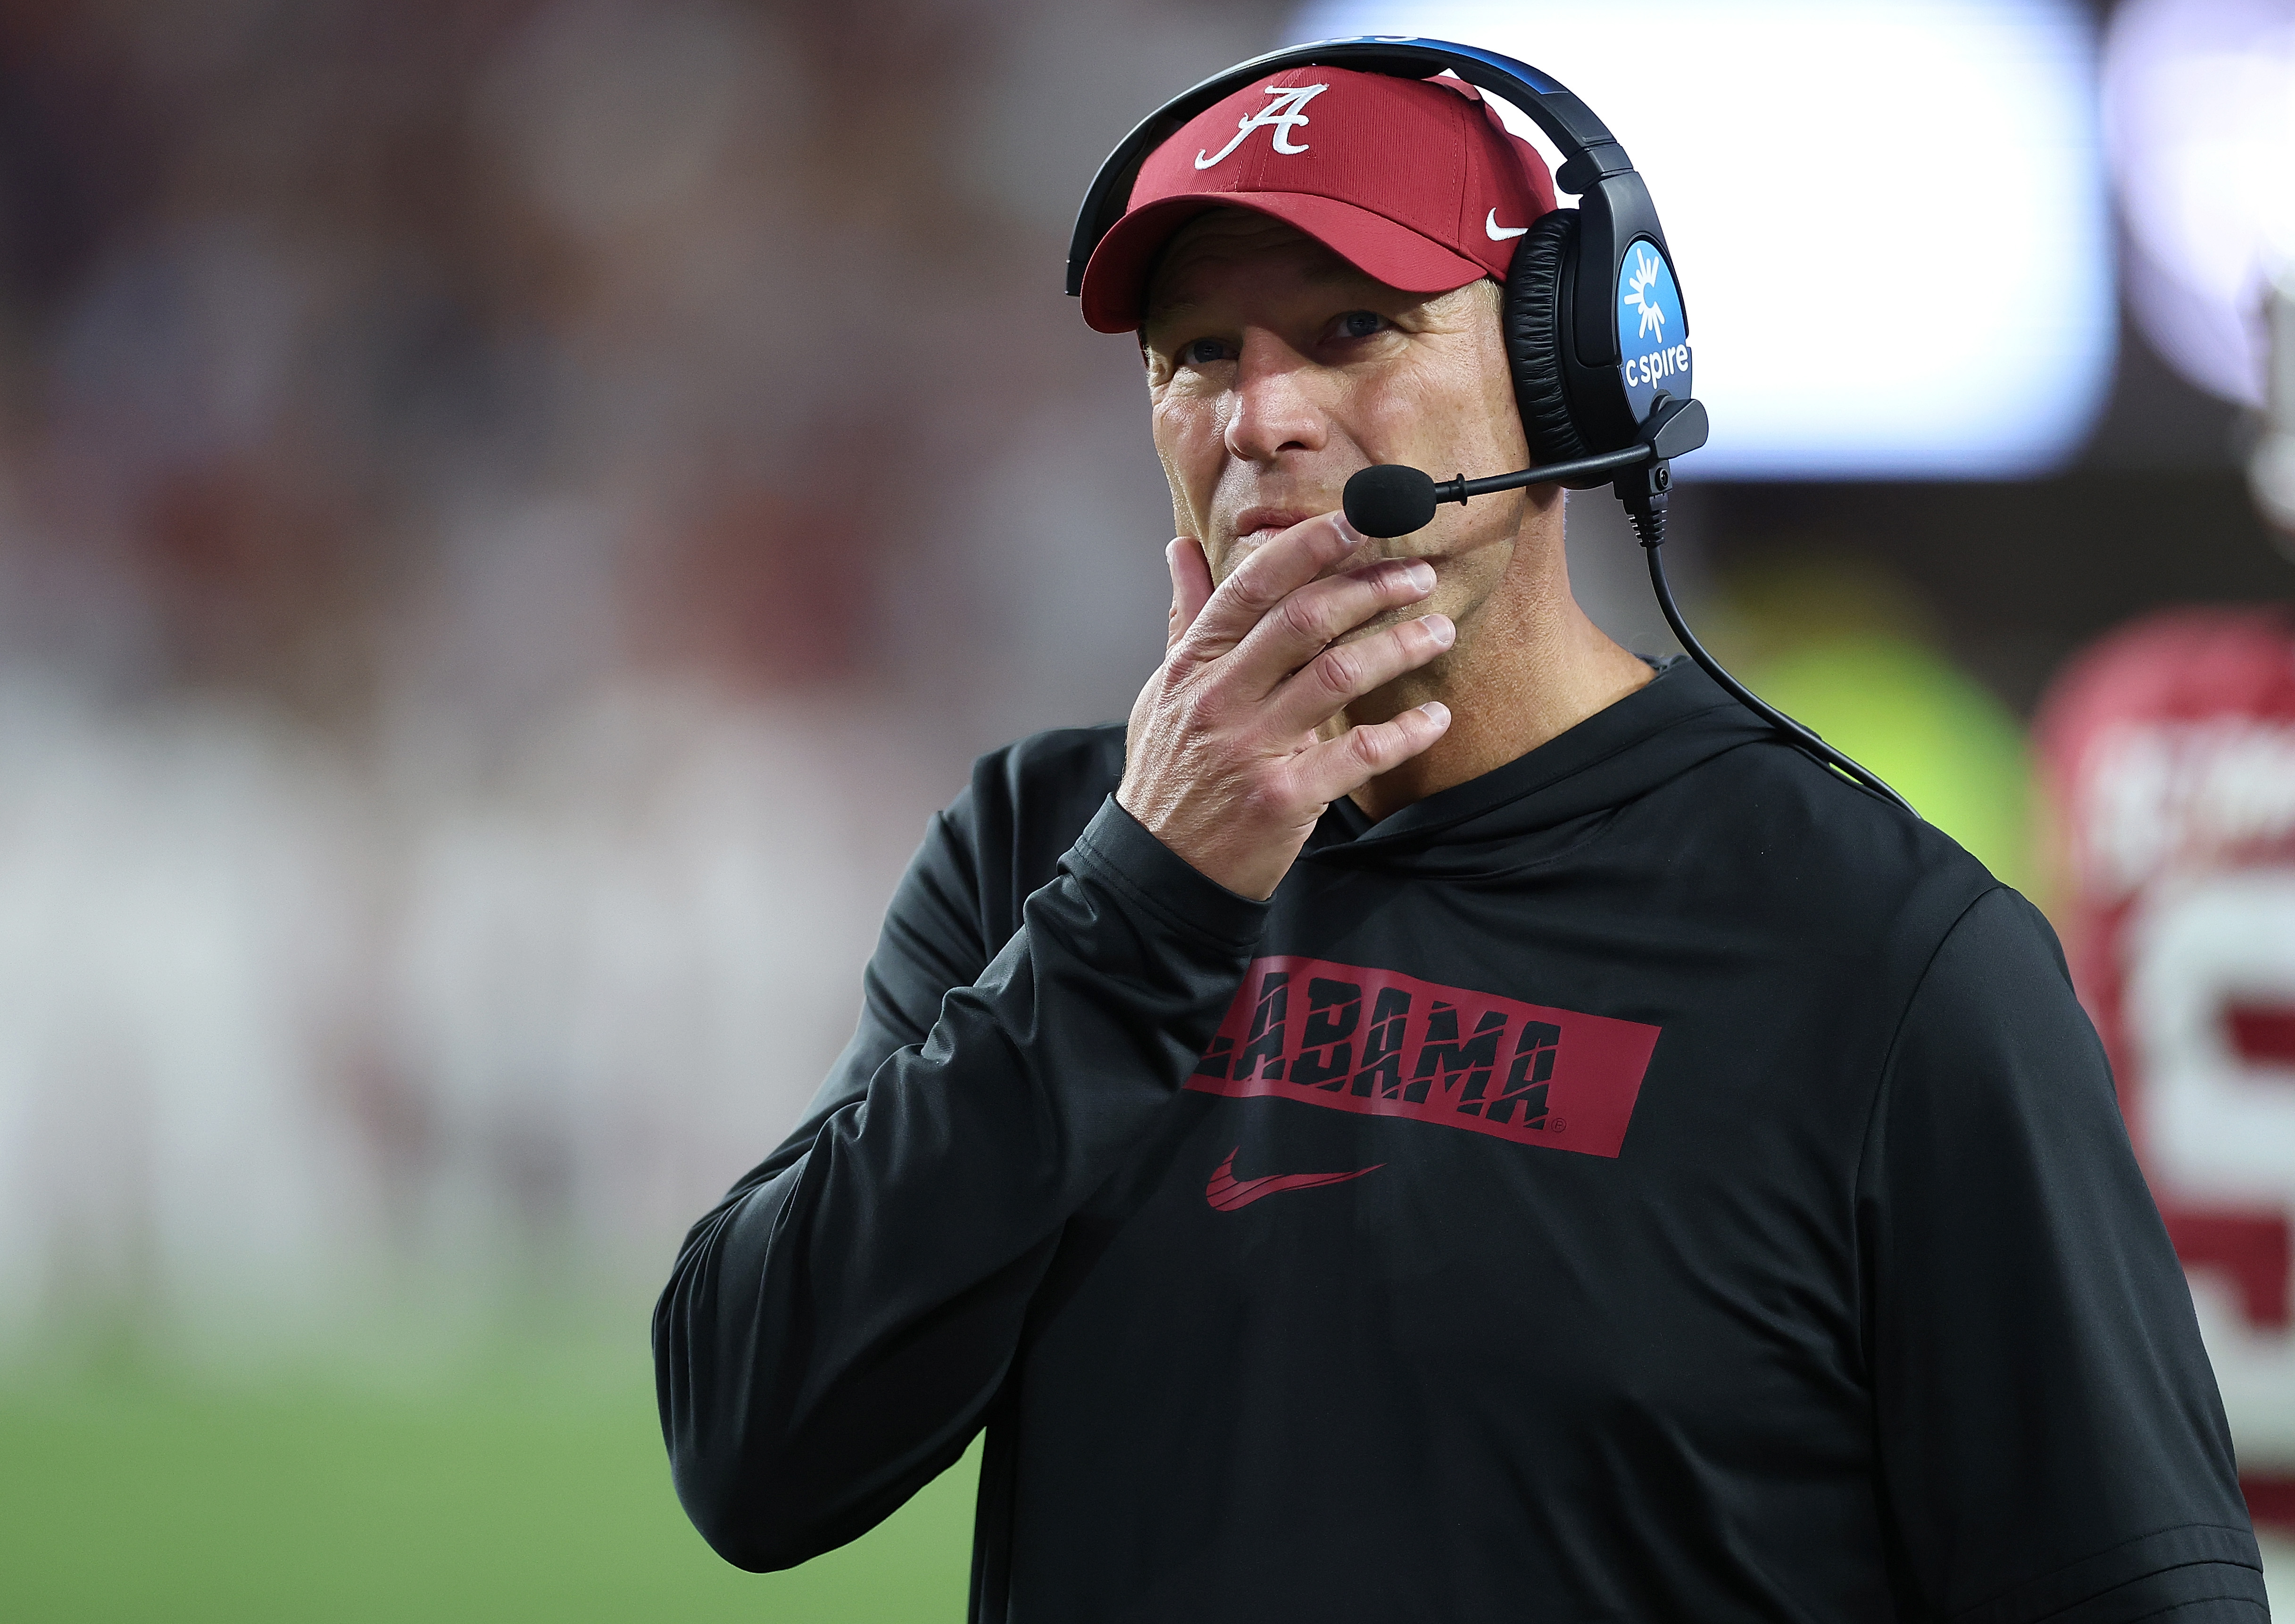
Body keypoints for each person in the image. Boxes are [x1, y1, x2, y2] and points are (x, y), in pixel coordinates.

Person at [655, 53, 2267, 1623]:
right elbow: (753, 1456)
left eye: (1353, 327)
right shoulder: (1042, 855)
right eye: (1197, 351)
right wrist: (1141, 903)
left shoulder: (1884, 955)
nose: (1259, 416)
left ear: (1573, 371)